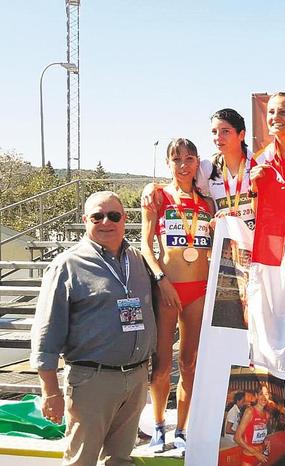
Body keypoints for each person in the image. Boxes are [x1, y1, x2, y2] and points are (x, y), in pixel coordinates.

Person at [30, 191, 157, 465]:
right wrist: (50, 391)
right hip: (92, 381)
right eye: (97, 216)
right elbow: (46, 334)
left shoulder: (137, 260)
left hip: (135, 379)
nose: (106, 222)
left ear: (124, 219)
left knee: (120, 460)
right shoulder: (67, 265)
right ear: (86, 220)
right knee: (81, 460)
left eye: (113, 216)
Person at [141, 138, 214, 452]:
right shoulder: (157, 196)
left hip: (198, 291)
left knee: (190, 365)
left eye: (189, 159)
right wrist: (161, 279)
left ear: (197, 162)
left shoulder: (207, 203)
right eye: (177, 160)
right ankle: (159, 426)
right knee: (159, 365)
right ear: (169, 164)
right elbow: (145, 245)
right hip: (167, 288)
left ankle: (182, 429)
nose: (183, 165)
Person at [142, 108, 263, 230]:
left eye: (225, 131)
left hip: (256, 242)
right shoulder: (207, 167)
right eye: (214, 132)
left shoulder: (259, 162)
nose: (218, 137)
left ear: (241, 135)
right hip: (226, 244)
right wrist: (152, 187)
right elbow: (183, 185)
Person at [236, 387, 272, 466]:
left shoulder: (267, 415)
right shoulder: (250, 411)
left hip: (260, 455)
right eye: (261, 394)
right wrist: (255, 453)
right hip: (249, 456)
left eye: (266, 394)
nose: (264, 397)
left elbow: (260, 432)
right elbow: (237, 438)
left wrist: (266, 439)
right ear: (256, 396)